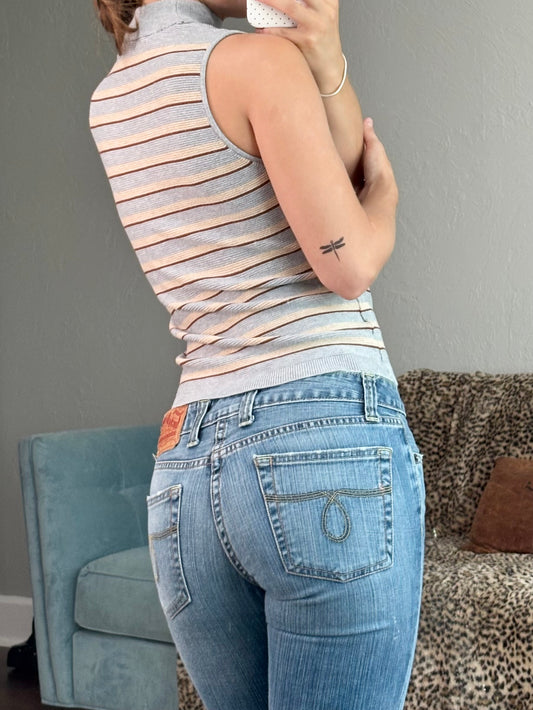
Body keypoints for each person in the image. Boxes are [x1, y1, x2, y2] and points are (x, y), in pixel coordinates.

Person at [90, 1, 426, 708]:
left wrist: (325, 57)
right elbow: (348, 261)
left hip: (186, 474)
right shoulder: (256, 62)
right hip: (319, 434)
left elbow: (326, 185)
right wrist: (388, 201)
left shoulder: (111, 99)